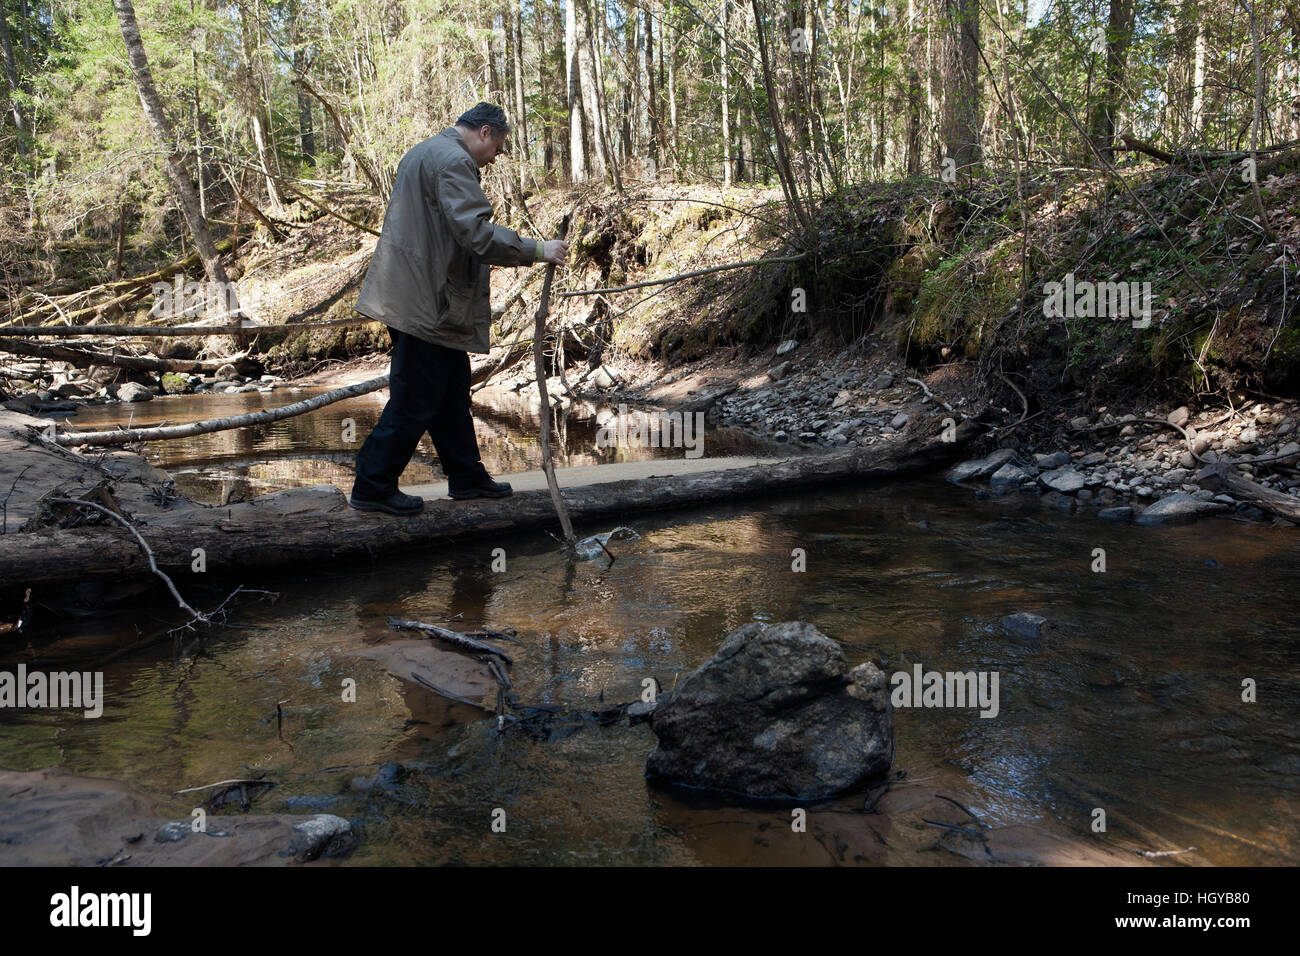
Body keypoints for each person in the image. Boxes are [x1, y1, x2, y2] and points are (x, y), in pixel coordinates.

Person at [348, 103, 568, 515]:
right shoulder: (453, 161)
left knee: (449, 391)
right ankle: (372, 485)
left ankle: (466, 478)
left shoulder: (424, 151)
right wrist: (537, 250)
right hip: (425, 302)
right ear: (485, 132)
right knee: (415, 397)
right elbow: (476, 235)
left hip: (414, 294)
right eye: (498, 146)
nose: (497, 156)